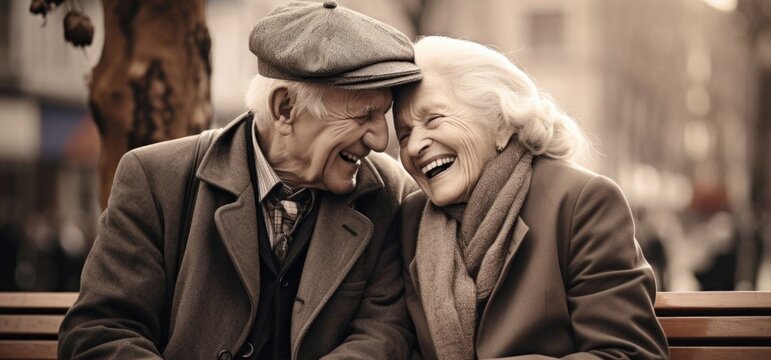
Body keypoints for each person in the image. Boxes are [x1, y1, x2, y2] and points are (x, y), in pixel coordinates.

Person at [58, 2, 421, 359]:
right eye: (363, 116)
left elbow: (384, 333)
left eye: (383, 116)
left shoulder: (389, 193)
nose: (379, 140)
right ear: (285, 109)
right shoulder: (155, 179)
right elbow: (101, 331)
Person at [394, 36, 669, 359]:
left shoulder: (582, 202)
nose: (415, 146)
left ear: (500, 123)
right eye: (404, 135)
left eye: (434, 119)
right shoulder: (410, 219)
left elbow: (631, 353)